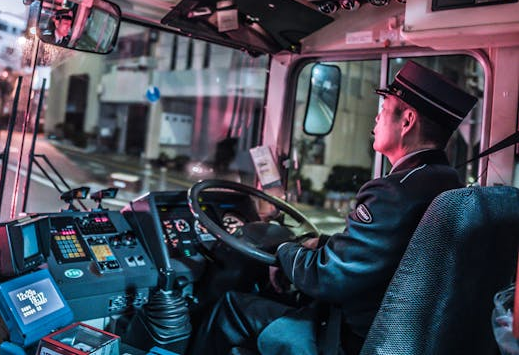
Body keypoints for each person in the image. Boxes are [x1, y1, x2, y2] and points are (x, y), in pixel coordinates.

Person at [191, 61, 478, 355]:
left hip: (350, 338)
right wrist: (320, 243)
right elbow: (384, 253)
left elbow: (328, 277)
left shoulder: (394, 192)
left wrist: (284, 253)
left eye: (384, 108)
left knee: (231, 308)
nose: (376, 117)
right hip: (396, 330)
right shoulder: (445, 181)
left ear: (406, 121)